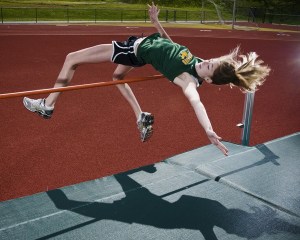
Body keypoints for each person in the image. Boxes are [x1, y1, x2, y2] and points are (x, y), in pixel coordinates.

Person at [23, 2, 270, 155]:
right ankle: (140, 115)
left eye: (210, 67)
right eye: (212, 60)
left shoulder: (189, 80)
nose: (207, 62)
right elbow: (171, 46)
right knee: (117, 77)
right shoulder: (197, 63)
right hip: (143, 49)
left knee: (71, 58)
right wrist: (156, 22)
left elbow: (197, 103)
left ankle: (48, 105)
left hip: (131, 50)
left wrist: (209, 130)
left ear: (211, 79)